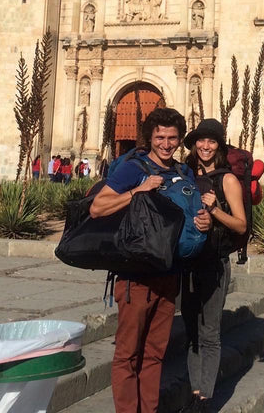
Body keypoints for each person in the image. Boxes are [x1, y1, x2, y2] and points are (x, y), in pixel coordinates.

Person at [90, 108, 212, 413]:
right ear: (150, 137)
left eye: (172, 138)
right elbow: (97, 208)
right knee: (128, 354)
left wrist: (204, 223)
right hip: (136, 278)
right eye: (160, 137)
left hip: (169, 275)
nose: (166, 144)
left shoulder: (183, 172)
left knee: (155, 354)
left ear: (180, 139)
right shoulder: (133, 168)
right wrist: (137, 191)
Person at [180, 119, 247, 413]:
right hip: (187, 263)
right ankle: (195, 393)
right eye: (201, 141)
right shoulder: (186, 175)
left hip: (214, 264)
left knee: (209, 333)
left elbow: (241, 225)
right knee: (191, 332)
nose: (205, 146)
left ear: (219, 145)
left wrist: (215, 209)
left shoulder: (227, 180)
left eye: (211, 141)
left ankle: (206, 399)